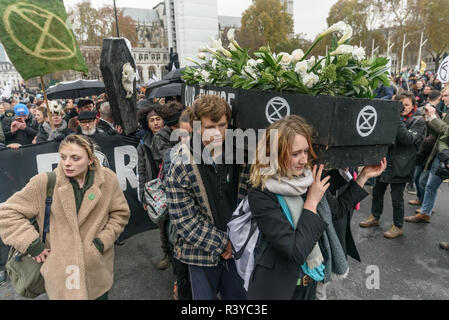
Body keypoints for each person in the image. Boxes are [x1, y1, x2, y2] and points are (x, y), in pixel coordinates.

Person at [246, 115, 386, 300]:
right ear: (275, 153)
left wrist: (363, 177)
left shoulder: (307, 179)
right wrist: (311, 202)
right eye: (295, 154)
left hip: (311, 282)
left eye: (305, 151)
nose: (304, 159)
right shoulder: (262, 192)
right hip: (279, 289)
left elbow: (335, 211)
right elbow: (295, 251)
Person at [0, 134, 130, 299]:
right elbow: (7, 213)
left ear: (90, 159)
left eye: (75, 158)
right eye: (63, 157)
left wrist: (101, 242)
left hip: (96, 269)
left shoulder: (108, 179)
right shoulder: (45, 182)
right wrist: (32, 244)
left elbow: (120, 213)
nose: (67, 163)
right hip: (61, 272)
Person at [166, 94, 250, 300]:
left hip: (237, 250)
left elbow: (249, 199)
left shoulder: (241, 155)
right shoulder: (181, 163)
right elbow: (184, 219)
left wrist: (237, 240)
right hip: (200, 254)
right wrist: (223, 244)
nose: (218, 133)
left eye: (222, 125)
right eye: (210, 127)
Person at [360, 92, 426, 238]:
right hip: (385, 163)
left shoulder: (418, 121)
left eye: (407, 104)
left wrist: (396, 119)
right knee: (377, 192)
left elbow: (408, 139)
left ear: (413, 105)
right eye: (400, 104)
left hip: (401, 166)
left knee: (397, 198)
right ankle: (375, 217)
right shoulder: (392, 118)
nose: (403, 107)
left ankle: (398, 226)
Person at [405, 87, 449, 223]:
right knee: (427, 183)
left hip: (444, 155)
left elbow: (445, 131)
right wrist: (429, 118)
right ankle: (425, 211)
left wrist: (434, 117)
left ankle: (426, 211)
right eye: (443, 95)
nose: (443, 98)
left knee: (429, 184)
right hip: (440, 154)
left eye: (446, 95)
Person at [408, 90, 442, 203]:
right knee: (417, 177)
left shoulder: (435, 118)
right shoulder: (420, 118)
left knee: (423, 181)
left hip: (429, 154)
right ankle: (420, 198)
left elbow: (434, 136)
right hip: (421, 154)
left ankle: (425, 206)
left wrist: (420, 142)